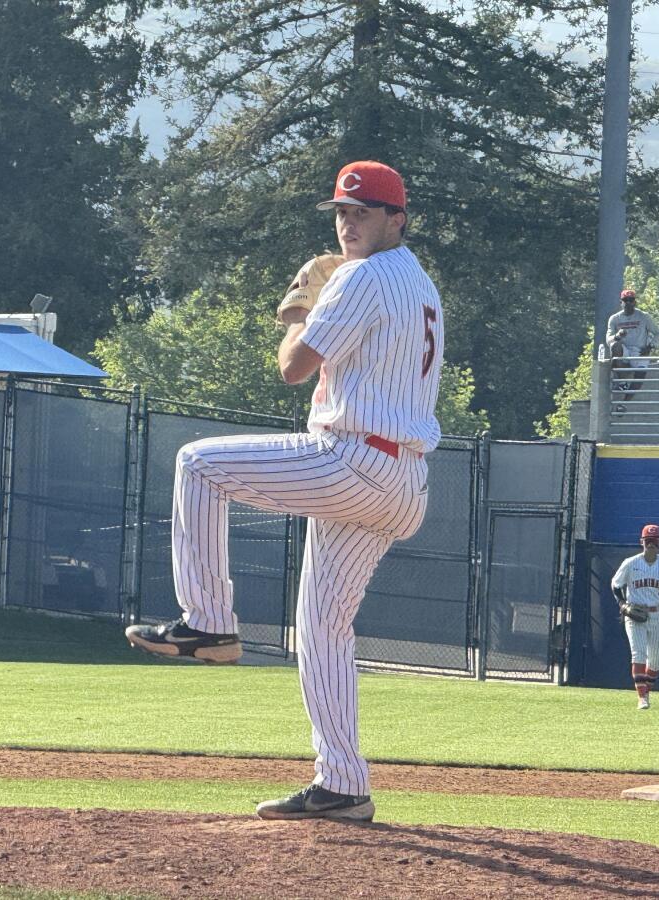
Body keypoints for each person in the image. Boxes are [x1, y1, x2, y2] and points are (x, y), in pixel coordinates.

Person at [125, 160, 443, 822]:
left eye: (363, 212)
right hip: (401, 478)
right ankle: (343, 784)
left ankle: (209, 624)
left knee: (198, 464)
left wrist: (300, 307)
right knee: (323, 628)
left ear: (398, 219)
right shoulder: (418, 282)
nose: (348, 223)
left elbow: (294, 368)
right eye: (341, 212)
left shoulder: (360, 276)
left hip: (354, 460)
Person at [611, 524, 659, 710]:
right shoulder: (630, 563)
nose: (651, 544)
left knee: (656, 661)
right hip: (634, 613)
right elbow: (615, 585)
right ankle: (642, 696)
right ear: (641, 542)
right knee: (638, 653)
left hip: (657, 614)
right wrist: (622, 604)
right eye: (648, 541)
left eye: (654, 541)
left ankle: (646, 689)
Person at [605, 289, 659, 399]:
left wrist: (650, 347)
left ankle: (625, 402)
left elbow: (658, 333)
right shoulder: (615, 319)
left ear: (635, 302)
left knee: (640, 374)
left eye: (631, 300)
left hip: (639, 351)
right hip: (624, 351)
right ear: (621, 302)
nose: (628, 303)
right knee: (615, 346)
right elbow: (608, 340)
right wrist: (617, 336)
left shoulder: (644, 316)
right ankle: (622, 382)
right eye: (625, 300)